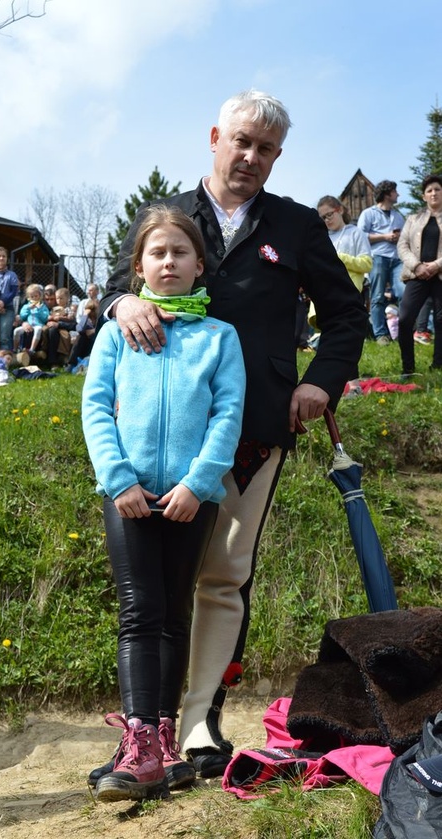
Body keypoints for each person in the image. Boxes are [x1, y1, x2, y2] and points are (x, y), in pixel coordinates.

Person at [89, 89, 368, 784]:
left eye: (265, 148)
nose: (249, 156)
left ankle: (197, 722)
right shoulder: (169, 217)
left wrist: (319, 383)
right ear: (215, 137)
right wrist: (121, 302)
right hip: (158, 437)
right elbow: (113, 287)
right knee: (151, 590)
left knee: (223, 576)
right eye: (240, 141)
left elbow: (345, 317)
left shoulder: (298, 226)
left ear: (276, 157)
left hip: (252, 432)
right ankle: (142, 730)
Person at [81, 205, 246, 802]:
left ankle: (162, 743)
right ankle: (138, 737)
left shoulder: (220, 338)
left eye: (180, 252)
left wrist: (199, 484)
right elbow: (96, 407)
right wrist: (118, 478)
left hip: (188, 499)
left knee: (175, 613)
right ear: (139, 266)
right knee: (137, 614)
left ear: (199, 265)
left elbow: (228, 415)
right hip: (127, 495)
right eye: (157, 253)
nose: (169, 261)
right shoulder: (115, 332)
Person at [310, 196, 373, 344]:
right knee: (329, 335)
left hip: (348, 293)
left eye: (329, 214)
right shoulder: (322, 237)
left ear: (340, 210)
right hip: (325, 294)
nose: (326, 220)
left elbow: (367, 264)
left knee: (345, 336)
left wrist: (341, 258)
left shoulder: (355, 233)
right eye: (323, 217)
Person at [396, 174, 442, 375]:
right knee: (405, 319)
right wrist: (417, 266)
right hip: (417, 275)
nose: (433, 193)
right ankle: (408, 368)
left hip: (440, 275)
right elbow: (402, 245)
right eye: (429, 190)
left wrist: (436, 265)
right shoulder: (413, 219)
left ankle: (438, 364)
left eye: (437, 189)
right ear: (424, 196)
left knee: (441, 321)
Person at [357, 180, 405, 344]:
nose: (398, 194)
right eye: (395, 191)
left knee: (403, 292)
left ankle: (404, 332)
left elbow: (405, 238)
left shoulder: (398, 216)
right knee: (377, 296)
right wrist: (385, 237)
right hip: (378, 257)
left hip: (397, 259)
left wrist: (399, 238)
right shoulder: (368, 214)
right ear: (387, 194)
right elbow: (361, 237)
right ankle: (381, 335)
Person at [13, 283, 50, 357]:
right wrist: (28, 309)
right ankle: (15, 348)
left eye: (36, 296)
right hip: (28, 325)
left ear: (40, 296)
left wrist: (39, 309)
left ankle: (32, 349)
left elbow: (45, 318)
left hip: (38, 325)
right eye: (32, 297)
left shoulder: (43, 307)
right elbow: (22, 316)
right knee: (16, 331)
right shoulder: (26, 306)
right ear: (29, 298)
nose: (34, 298)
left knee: (38, 330)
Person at [66, 299, 98, 371]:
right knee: (81, 336)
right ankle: (71, 364)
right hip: (86, 347)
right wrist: (85, 315)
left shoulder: (101, 319)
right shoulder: (87, 321)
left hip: (97, 344)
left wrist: (94, 330)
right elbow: (79, 329)